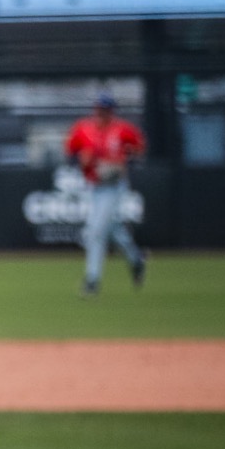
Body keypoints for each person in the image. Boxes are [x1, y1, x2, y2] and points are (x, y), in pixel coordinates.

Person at [64, 93, 148, 298]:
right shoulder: (83, 129)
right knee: (113, 229)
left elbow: (139, 148)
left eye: (105, 109)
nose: (101, 112)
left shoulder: (122, 129)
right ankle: (136, 259)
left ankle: (92, 280)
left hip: (114, 186)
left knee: (95, 231)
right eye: (98, 109)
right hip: (93, 186)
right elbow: (70, 153)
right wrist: (80, 160)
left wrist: (123, 160)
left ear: (112, 111)